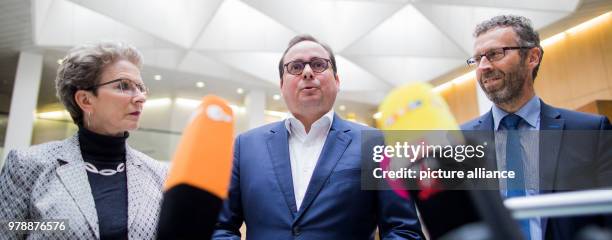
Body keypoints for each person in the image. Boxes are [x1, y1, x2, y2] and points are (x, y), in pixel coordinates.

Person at [213, 35, 424, 239]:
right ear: (281, 85)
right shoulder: (245, 146)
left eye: (318, 64)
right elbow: (220, 228)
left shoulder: (377, 143)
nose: (307, 72)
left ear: (337, 80)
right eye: (295, 67)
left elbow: (403, 230)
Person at [461, 15, 611, 240]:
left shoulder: (591, 131)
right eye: (477, 59)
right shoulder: (459, 142)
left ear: (532, 57)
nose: (483, 66)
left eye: (495, 54)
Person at [0, 41, 168, 239]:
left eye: (140, 87)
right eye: (124, 86)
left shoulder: (159, 175)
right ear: (85, 100)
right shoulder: (28, 165)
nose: (140, 97)